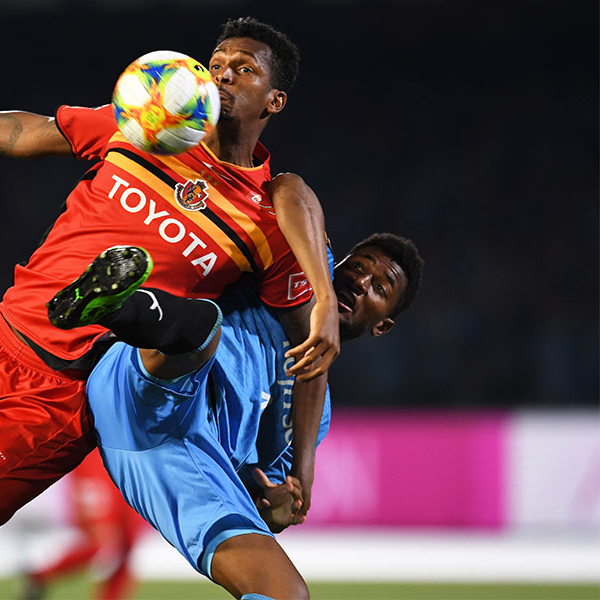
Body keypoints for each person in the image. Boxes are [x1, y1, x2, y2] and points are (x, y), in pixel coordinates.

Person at [0, 18, 340, 600]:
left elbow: (307, 350)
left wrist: (298, 470)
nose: (223, 75)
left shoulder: (266, 219)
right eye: (217, 64)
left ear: (274, 101)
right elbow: (31, 133)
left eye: (244, 70)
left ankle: (113, 308)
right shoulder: (142, 127)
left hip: (55, 392)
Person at [66, 233, 423, 599]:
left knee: (285, 593)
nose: (360, 282)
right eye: (358, 266)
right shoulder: (292, 269)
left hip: (178, 463)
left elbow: (261, 492)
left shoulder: (314, 416)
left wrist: (277, 505)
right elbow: (294, 202)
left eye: (379, 288)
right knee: (204, 329)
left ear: (382, 326)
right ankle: (114, 308)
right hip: (147, 390)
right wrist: (306, 471)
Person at [21, 450, 146, 600]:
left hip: (133, 461)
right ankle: (41, 576)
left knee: (128, 543)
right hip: (96, 456)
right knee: (102, 539)